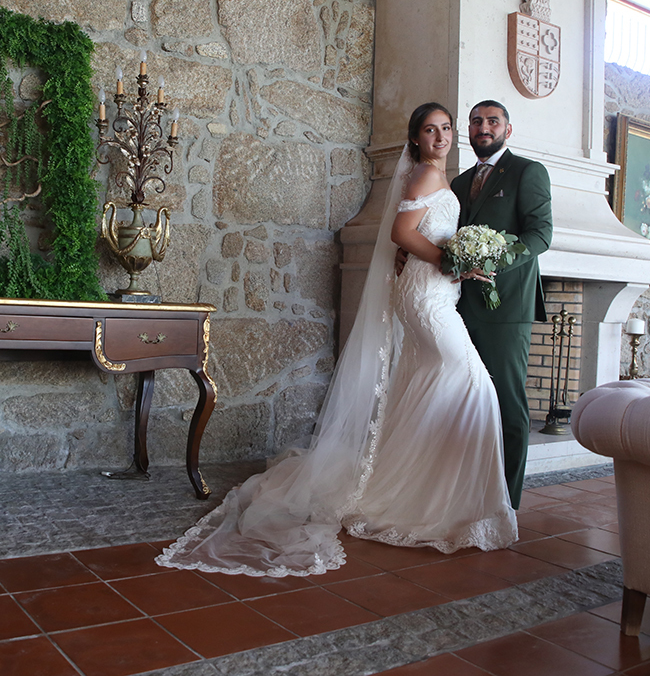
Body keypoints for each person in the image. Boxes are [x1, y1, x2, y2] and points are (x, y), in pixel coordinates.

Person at [155, 103, 517, 578]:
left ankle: (416, 487)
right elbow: (401, 231)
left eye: (447, 129)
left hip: (433, 297)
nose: (441, 137)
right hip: (427, 299)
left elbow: (416, 235)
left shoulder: (439, 180)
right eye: (430, 130)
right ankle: (423, 498)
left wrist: (452, 260)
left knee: (436, 383)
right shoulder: (425, 178)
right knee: (472, 383)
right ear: (415, 140)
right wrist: (452, 262)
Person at [452, 100, 552, 510]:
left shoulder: (528, 172)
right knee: (466, 401)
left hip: (507, 307)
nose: (483, 127)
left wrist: (491, 259)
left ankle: (506, 502)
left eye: (492, 121)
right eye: (476, 121)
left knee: (509, 404)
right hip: (457, 307)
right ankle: (471, 490)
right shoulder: (458, 184)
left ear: (507, 130)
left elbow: (540, 234)